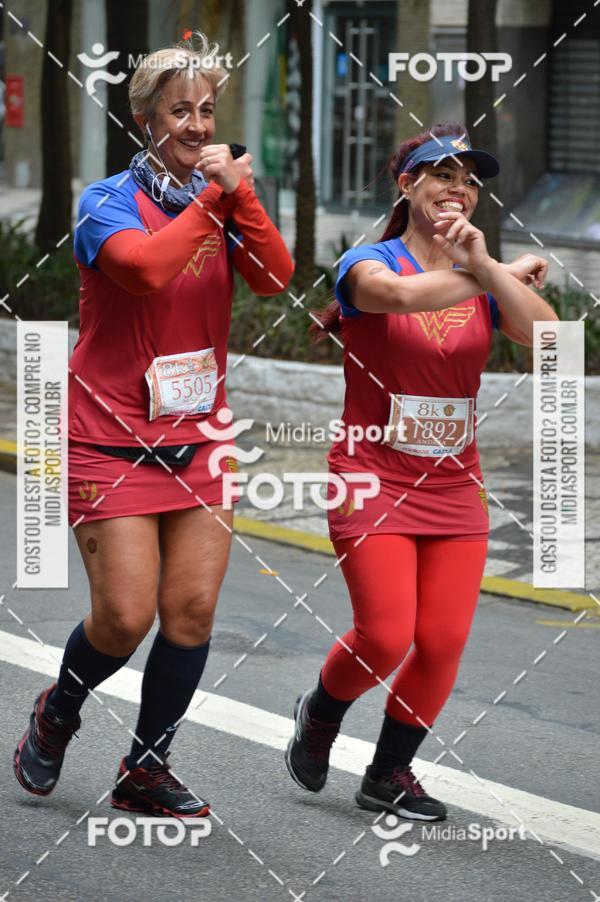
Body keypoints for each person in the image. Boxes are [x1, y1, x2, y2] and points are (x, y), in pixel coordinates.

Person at [14, 34, 293, 817]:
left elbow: (275, 279)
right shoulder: (104, 202)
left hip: (200, 439)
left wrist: (242, 199)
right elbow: (142, 269)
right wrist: (212, 201)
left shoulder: (222, 201)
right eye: (180, 111)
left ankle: (145, 768)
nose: (198, 126)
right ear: (146, 119)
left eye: (207, 111)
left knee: (193, 611)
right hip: (108, 439)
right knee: (124, 617)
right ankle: (58, 710)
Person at [285, 122, 558, 821]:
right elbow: (402, 298)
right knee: (386, 635)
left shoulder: (477, 275)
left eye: (469, 180)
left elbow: (549, 337)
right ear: (407, 186)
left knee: (441, 642)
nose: (457, 188)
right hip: (371, 476)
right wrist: (490, 271)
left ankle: (388, 774)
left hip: (454, 486)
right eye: (442, 174)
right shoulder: (365, 263)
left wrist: (489, 269)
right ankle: (321, 712)